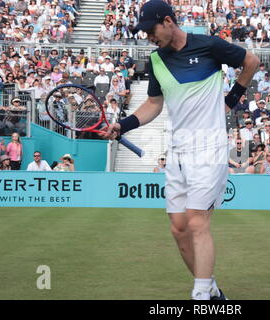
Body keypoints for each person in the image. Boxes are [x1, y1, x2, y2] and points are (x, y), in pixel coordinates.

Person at [100, 0, 260, 301]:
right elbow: (153, 105)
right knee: (178, 229)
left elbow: (251, 61)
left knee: (198, 219)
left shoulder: (210, 46)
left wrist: (231, 99)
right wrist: (123, 124)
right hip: (177, 150)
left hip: (209, 146)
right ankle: (209, 286)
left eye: (151, 30)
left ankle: (200, 296)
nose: (149, 36)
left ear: (169, 22)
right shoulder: (156, 60)